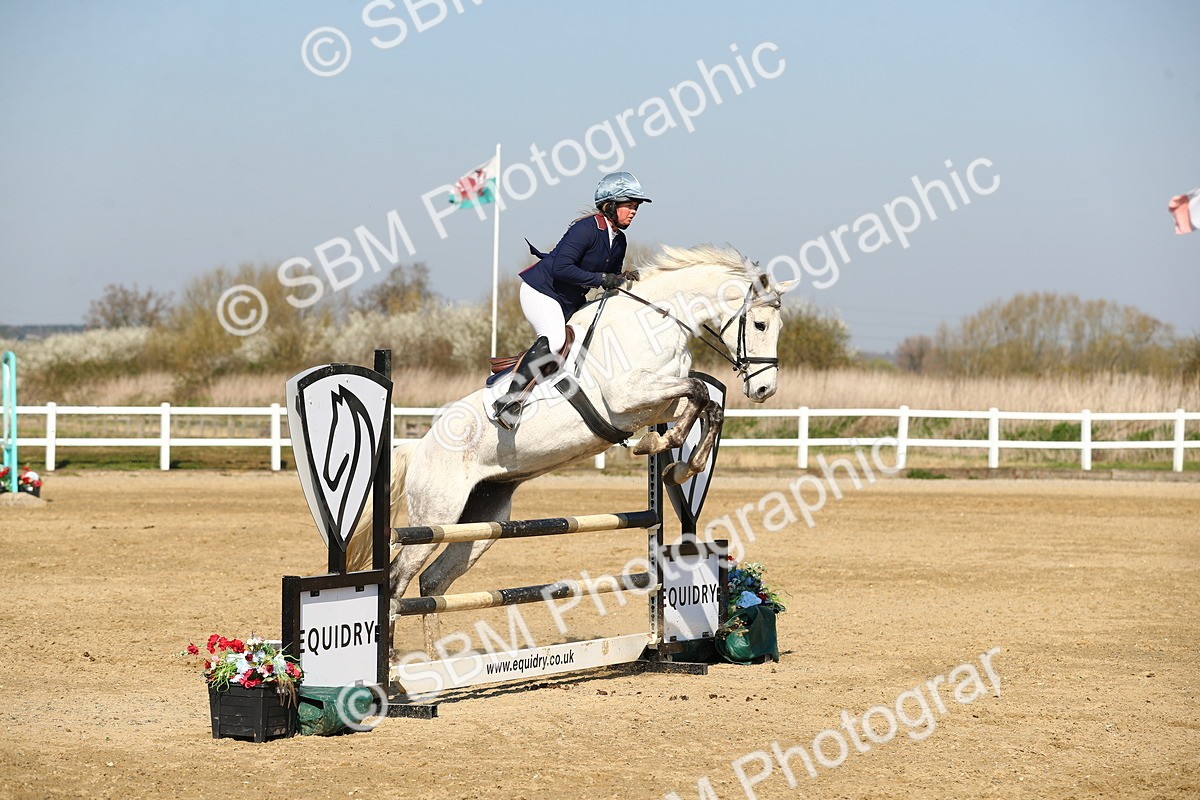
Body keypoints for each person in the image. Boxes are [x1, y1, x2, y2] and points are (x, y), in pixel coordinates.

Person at [492, 172, 651, 421]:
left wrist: (627, 281)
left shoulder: (619, 241)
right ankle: (508, 401)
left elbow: (612, 277)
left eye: (635, 207)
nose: (633, 211)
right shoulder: (585, 229)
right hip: (541, 291)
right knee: (555, 340)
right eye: (629, 205)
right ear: (610, 206)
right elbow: (561, 268)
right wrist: (601, 279)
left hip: (569, 300)